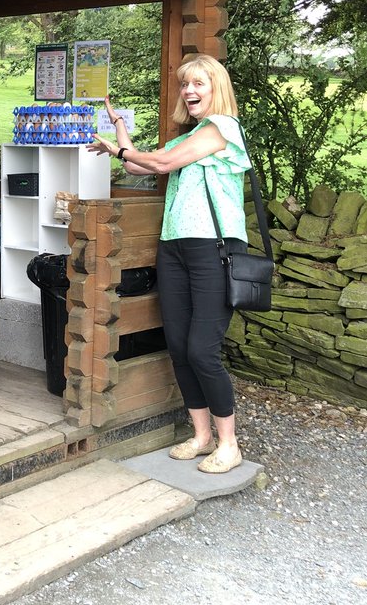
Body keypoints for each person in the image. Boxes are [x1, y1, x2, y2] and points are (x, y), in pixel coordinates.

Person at [88, 54, 248, 473]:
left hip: (213, 247)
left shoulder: (223, 129)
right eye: (184, 85)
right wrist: (118, 132)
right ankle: (200, 436)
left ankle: (229, 444)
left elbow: (160, 163)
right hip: (174, 246)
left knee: (202, 349)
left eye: (199, 84)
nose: (189, 91)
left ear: (216, 89)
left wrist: (126, 149)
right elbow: (141, 160)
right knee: (178, 345)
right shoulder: (188, 137)